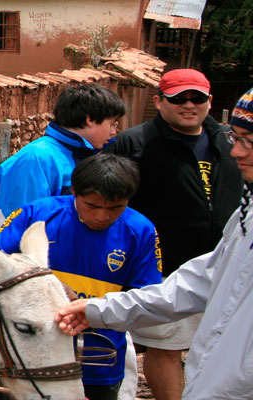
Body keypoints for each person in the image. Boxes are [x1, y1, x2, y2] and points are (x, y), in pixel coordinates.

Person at [55, 86, 253, 400]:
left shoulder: (138, 229)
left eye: (248, 142)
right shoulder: (246, 216)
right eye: (235, 138)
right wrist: (99, 308)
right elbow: (203, 280)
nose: (236, 152)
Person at [102, 69, 242, 400]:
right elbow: (108, 196)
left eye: (197, 98)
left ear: (210, 101)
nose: (188, 104)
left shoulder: (229, 140)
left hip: (226, 266)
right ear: (159, 101)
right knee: (166, 348)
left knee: (223, 348)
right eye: (179, 98)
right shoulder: (134, 143)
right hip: (165, 267)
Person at [0, 154, 162, 400]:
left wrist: (97, 311)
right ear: (75, 192)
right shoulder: (35, 213)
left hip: (98, 357)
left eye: (115, 208)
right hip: (29, 353)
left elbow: (146, 296)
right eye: (92, 205)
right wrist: (53, 286)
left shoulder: (140, 230)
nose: (102, 216)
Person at [0, 83, 128, 232]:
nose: (114, 131)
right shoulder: (37, 158)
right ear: (90, 119)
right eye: (112, 124)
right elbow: (24, 225)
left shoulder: (79, 155)